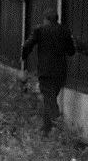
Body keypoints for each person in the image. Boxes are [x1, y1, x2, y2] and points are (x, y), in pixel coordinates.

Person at [22, 8, 76, 136]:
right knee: (50, 99)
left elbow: (27, 45)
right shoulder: (65, 30)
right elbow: (71, 51)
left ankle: (60, 130)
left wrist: (24, 56)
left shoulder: (39, 29)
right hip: (60, 72)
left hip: (45, 71)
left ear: (45, 19)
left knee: (49, 100)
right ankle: (46, 130)